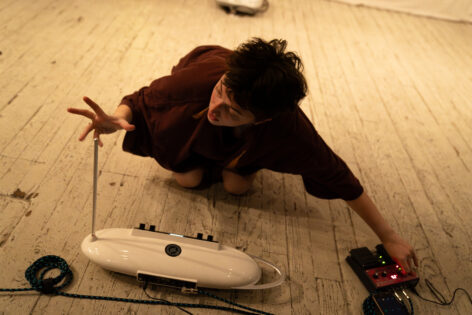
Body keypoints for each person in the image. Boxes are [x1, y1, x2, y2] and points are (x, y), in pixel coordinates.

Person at [68, 38, 418, 273]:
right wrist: (118, 119)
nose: (216, 108)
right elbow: (139, 99)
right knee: (187, 179)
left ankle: (236, 161)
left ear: (263, 119)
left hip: (249, 144)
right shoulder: (196, 84)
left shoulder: (288, 129)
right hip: (203, 70)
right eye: (222, 91)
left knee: (237, 187)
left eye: (233, 110)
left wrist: (389, 236)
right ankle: (209, 153)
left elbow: (339, 177)